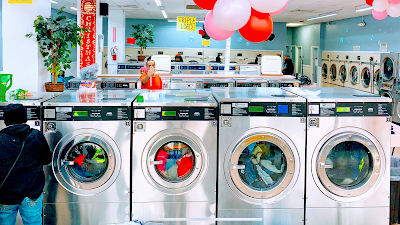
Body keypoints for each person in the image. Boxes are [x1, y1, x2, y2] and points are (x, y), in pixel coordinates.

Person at [0, 104, 51, 225]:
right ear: (24, 118)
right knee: (33, 222)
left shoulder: (1, 139)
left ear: (6, 120)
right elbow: (47, 160)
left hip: (5, 194)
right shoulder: (36, 136)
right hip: (31, 192)